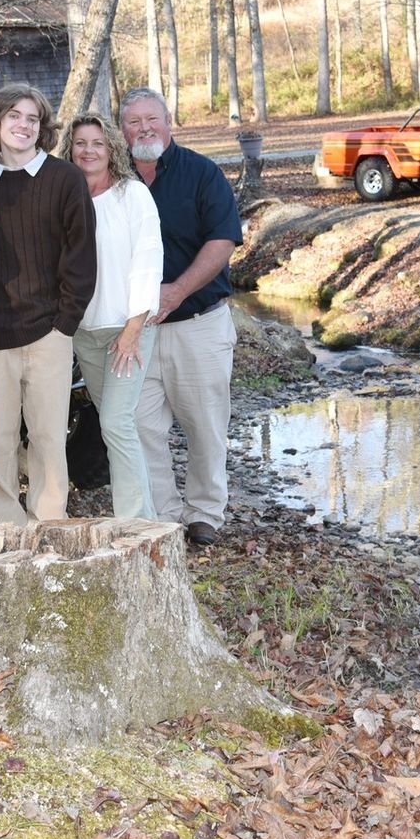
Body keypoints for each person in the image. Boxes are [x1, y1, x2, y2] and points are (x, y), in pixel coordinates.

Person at [118, 87, 242, 546]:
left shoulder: (202, 174)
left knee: (205, 425)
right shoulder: (115, 181)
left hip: (197, 324)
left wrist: (175, 291)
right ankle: (165, 517)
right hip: (137, 331)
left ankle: (205, 513)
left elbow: (223, 241)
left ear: (169, 122)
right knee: (142, 425)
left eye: (152, 118)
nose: (144, 128)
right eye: (133, 121)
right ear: (122, 130)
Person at [0, 84, 97, 525]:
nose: (24, 125)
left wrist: (65, 322)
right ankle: (6, 522)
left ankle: (48, 519)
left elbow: (82, 256)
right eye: (14, 117)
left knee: (48, 435)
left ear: (41, 128)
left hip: (50, 330)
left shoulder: (64, 179)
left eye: (32, 118)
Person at [60, 112, 163, 519]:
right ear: (70, 149)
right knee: (113, 426)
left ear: (112, 149)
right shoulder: (67, 200)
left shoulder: (132, 195)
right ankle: (148, 520)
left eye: (97, 143)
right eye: (81, 143)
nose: (89, 151)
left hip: (127, 331)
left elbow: (148, 260)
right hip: (86, 333)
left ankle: (136, 525)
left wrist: (134, 327)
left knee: (118, 424)